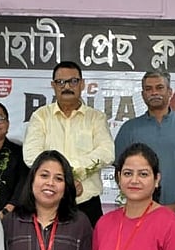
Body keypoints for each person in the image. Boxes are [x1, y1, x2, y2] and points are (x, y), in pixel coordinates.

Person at [22, 61, 115, 224]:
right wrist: (66, 181)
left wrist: (72, 173)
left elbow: (107, 152)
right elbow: (31, 156)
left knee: (91, 249)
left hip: (87, 204)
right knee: (47, 249)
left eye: (73, 81)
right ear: (53, 85)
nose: (67, 86)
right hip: (49, 203)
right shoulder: (41, 116)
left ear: (82, 84)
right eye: (61, 82)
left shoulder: (96, 118)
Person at [114, 70, 175, 222]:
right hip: (138, 215)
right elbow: (119, 171)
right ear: (143, 95)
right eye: (148, 89)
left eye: (159, 88)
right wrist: (139, 203)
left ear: (170, 92)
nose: (154, 93)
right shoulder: (129, 129)